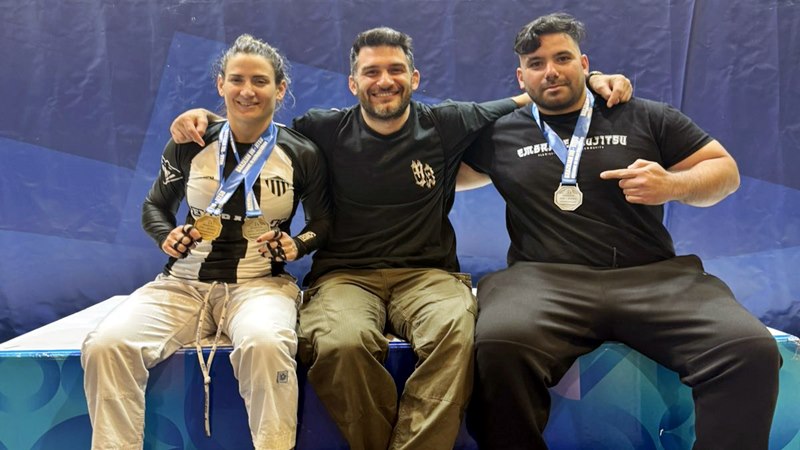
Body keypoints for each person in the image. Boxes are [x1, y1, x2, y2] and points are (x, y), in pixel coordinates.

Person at [170, 27, 631, 450]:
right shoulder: (321, 129)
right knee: (340, 345)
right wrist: (207, 119)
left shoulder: (447, 121)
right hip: (343, 278)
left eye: (395, 70)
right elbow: (255, 129)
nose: (384, 81)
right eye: (371, 72)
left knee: (456, 336)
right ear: (353, 84)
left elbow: (527, 96)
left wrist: (591, 81)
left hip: (429, 276)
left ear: (414, 78)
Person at [461, 13, 782, 450]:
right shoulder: (498, 132)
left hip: (654, 277)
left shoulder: (643, 115)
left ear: (584, 63)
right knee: (498, 348)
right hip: (541, 281)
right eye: (536, 63)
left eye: (562, 58)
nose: (550, 71)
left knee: (748, 349)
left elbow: (725, 171)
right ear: (521, 77)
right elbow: (435, 168)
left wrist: (673, 185)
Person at [81, 34, 331, 450]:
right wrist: (165, 235)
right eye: (237, 79)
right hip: (182, 284)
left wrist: (298, 245)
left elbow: (322, 221)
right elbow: (155, 206)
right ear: (220, 84)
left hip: (261, 286)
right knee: (107, 345)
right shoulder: (190, 142)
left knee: (267, 345)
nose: (247, 90)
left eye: (260, 81)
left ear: (280, 89)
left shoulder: (301, 152)